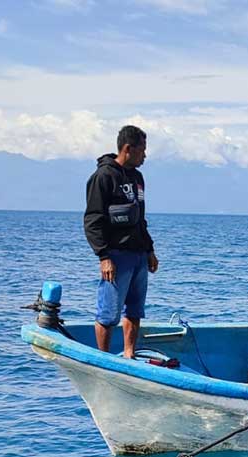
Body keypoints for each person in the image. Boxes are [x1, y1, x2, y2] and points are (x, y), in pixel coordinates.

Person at [84, 125, 158, 358]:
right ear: (128, 148)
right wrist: (104, 256)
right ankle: (104, 359)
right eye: (142, 150)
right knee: (109, 312)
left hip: (138, 255)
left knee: (135, 310)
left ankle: (129, 354)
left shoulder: (137, 178)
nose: (145, 156)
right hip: (116, 256)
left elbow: (140, 218)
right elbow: (92, 220)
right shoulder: (103, 177)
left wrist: (150, 249)